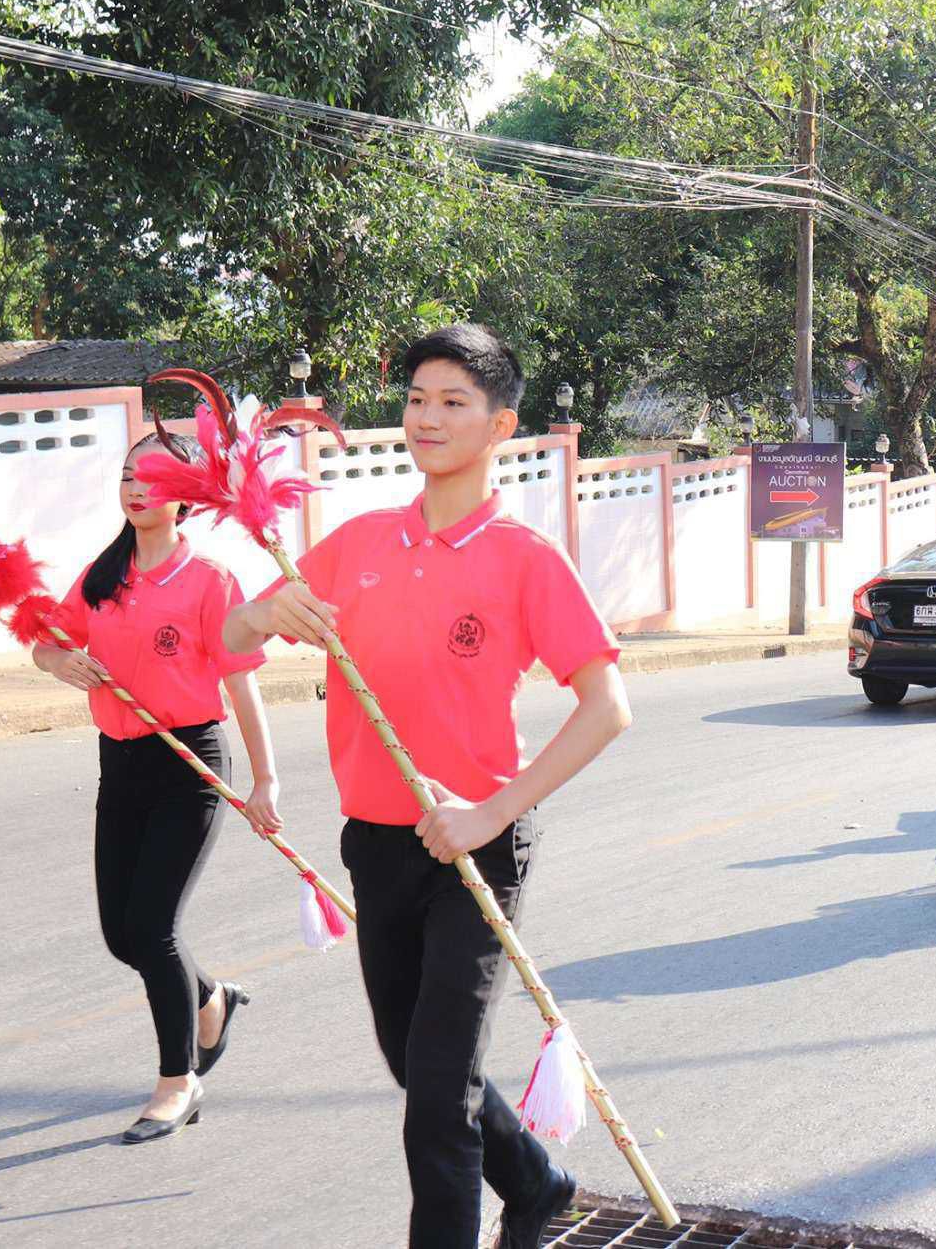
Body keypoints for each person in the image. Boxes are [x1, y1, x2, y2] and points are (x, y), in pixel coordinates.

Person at [223, 325, 629, 1249]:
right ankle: (535, 1181)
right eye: (416, 399)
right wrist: (262, 609)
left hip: (477, 849)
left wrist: (491, 811)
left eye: (453, 401)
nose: (428, 417)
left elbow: (608, 707)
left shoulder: (526, 557)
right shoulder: (358, 542)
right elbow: (233, 640)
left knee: (437, 1100)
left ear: (501, 425)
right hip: (374, 844)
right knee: (418, 1065)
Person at [37, 431, 277, 1142]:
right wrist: (59, 662)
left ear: (185, 498)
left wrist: (265, 779)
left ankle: (179, 1080)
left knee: (153, 927)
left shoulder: (209, 580)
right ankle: (211, 999)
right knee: (122, 934)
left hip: (189, 765)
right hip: (120, 764)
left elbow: (241, 683)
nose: (137, 488)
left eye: (154, 479)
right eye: (127, 476)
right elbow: (46, 640)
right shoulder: (103, 575)